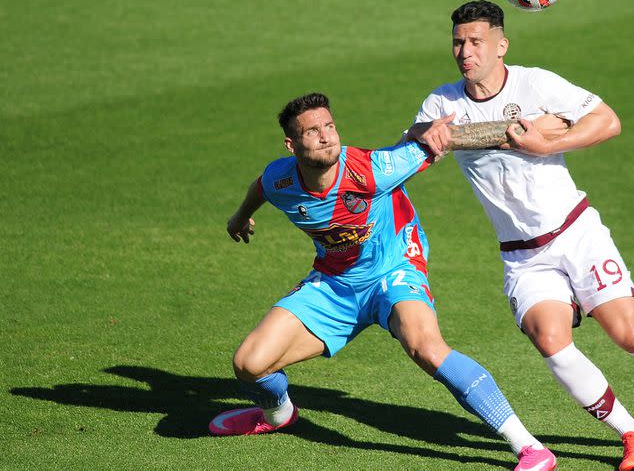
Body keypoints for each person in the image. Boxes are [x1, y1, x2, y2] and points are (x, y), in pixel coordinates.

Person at [404, 0, 634, 471]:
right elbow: (419, 139)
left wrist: (548, 141)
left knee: (629, 334)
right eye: (458, 42)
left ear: (501, 45)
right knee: (550, 339)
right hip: (523, 256)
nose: (465, 51)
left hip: (575, 232)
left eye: (476, 41)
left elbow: (607, 121)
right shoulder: (442, 103)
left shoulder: (537, 83)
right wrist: (502, 132)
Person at [209, 92, 557, 471]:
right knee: (249, 364)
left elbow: (444, 140)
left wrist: (527, 128)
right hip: (336, 283)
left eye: (330, 126)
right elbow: (261, 186)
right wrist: (239, 218)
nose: (327, 136)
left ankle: (529, 448)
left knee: (425, 347)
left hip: (395, 271)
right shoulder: (283, 178)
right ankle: (278, 415)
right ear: (292, 145)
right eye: (313, 131)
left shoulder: (374, 168)